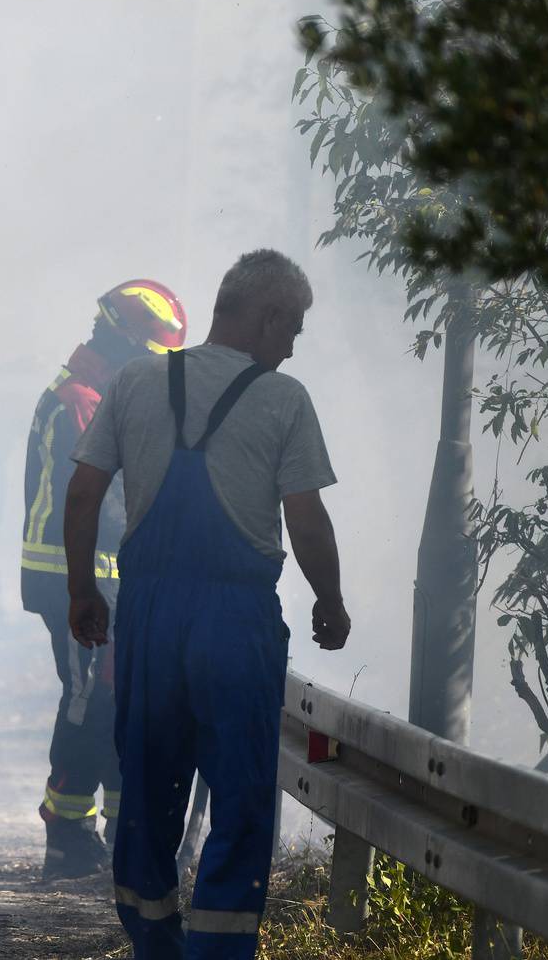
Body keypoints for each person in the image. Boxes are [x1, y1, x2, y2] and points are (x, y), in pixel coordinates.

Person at [63, 249, 350, 960]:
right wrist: (331, 600)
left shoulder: (134, 381)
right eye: (295, 328)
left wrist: (80, 590)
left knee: (148, 787)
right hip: (235, 621)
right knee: (243, 794)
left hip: (150, 616)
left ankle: (154, 941)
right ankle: (218, 953)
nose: (293, 344)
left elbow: (83, 493)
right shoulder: (284, 400)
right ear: (270, 315)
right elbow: (306, 518)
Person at [19, 280, 187, 879]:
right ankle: (66, 835)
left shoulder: (99, 392)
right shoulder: (82, 401)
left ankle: (121, 831)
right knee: (91, 705)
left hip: (101, 577)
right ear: (125, 345)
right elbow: (98, 504)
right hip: (77, 579)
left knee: (119, 702)